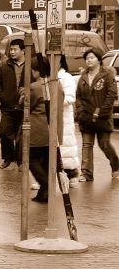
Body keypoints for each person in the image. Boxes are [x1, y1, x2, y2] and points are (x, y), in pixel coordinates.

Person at [76, 47, 119, 182]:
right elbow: (78, 97)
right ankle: (86, 173)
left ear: (99, 59)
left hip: (103, 118)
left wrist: (101, 112)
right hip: (86, 117)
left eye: (92, 58)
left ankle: (116, 165)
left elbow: (111, 95)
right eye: (87, 58)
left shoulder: (107, 74)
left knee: (104, 144)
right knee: (87, 145)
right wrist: (80, 111)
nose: (89, 60)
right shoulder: (83, 76)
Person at [0, 38, 26, 169]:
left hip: (24, 108)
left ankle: (21, 160)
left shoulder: (30, 65)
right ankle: (8, 157)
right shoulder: (4, 66)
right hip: (8, 106)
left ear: (23, 51)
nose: (12, 52)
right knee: (3, 132)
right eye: (10, 49)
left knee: (22, 136)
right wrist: (2, 97)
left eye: (15, 49)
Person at [25, 57, 51, 203]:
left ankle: (47, 185)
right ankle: (44, 193)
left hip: (37, 129)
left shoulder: (35, 87)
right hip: (51, 128)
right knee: (45, 160)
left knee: (31, 158)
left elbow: (27, 105)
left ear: (36, 71)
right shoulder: (55, 84)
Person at [57, 56, 80, 186]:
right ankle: (46, 177)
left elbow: (71, 97)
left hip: (64, 116)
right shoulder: (46, 76)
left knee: (66, 147)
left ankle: (72, 173)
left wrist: (57, 102)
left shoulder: (67, 77)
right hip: (48, 116)